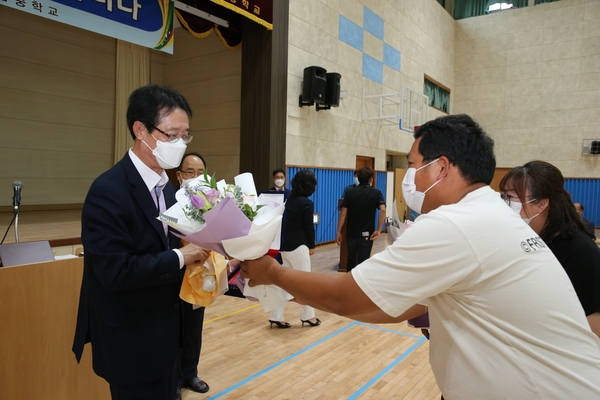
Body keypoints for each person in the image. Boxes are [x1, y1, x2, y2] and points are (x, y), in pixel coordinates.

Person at [240, 114, 600, 399]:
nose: (409, 176)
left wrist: (274, 273)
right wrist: (293, 287)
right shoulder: (491, 213)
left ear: (441, 168)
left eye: (414, 164)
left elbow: (345, 296)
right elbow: (398, 307)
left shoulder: (457, 223)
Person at [72, 85, 209, 400]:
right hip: (130, 343)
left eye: (185, 136)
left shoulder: (170, 191)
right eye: (172, 134)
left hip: (167, 339)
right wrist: (181, 257)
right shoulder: (108, 190)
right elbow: (115, 271)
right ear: (141, 131)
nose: (180, 144)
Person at [500, 161, 600, 338]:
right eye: (504, 197)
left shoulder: (580, 251)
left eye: (512, 198)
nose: (507, 205)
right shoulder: (527, 240)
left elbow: (594, 324)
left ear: (542, 204)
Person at [175, 153, 210, 398]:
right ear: (179, 176)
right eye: (190, 172)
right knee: (173, 329)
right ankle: (173, 379)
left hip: (199, 274)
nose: (195, 177)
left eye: (200, 173)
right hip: (173, 273)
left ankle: (190, 373)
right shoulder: (168, 202)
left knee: (193, 327)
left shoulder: (210, 205)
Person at [268, 169, 321, 329]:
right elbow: (308, 228)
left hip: (285, 247)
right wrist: (311, 245)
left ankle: (276, 316)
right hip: (299, 247)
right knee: (305, 284)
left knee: (283, 283)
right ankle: (308, 316)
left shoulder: (289, 200)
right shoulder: (306, 203)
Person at [336, 167, 386, 272]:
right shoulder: (376, 193)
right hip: (367, 234)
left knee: (351, 260)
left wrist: (339, 231)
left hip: (351, 233)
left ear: (358, 178)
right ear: (371, 179)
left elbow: (343, 213)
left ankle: (347, 285)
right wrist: (379, 229)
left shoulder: (350, 193)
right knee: (364, 261)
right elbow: (383, 210)